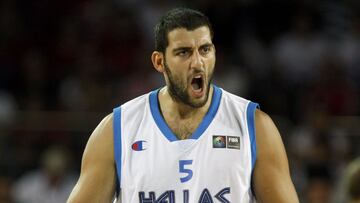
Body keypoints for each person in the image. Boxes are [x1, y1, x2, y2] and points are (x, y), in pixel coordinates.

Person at [67, 8, 299, 203]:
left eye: (205, 50)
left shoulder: (254, 126)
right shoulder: (117, 129)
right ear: (160, 62)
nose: (197, 63)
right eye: (184, 52)